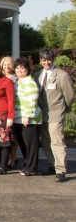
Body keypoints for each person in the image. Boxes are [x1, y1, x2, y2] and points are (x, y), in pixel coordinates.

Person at [35, 49, 74, 182]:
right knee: (46, 142)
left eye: (49, 60)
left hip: (56, 113)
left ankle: (61, 170)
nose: (47, 62)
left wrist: (63, 109)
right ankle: (52, 164)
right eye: (44, 60)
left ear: (53, 60)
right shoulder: (38, 75)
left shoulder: (62, 75)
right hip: (41, 114)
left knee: (57, 142)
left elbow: (69, 96)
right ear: (40, 61)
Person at [13, 58, 41, 176]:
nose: (20, 70)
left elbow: (32, 100)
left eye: (22, 68)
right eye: (18, 68)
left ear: (27, 70)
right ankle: (27, 165)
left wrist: (27, 116)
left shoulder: (30, 83)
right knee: (23, 144)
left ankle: (32, 168)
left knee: (31, 145)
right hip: (18, 118)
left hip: (29, 119)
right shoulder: (17, 82)